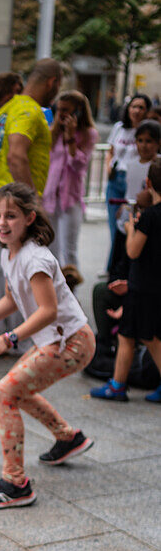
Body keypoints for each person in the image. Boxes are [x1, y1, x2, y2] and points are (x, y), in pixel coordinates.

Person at [0, 183, 95, 509]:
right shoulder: (11, 252)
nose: (2, 223)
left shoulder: (35, 258)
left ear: (30, 218)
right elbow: (10, 298)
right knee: (15, 391)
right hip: (57, 339)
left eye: (12, 216)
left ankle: (15, 483)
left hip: (70, 342)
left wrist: (9, 338)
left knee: (4, 394)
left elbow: (48, 310)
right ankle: (67, 437)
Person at [0, 58, 62, 358]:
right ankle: (24, 342)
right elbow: (17, 155)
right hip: (14, 201)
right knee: (27, 273)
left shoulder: (5, 109)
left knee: (0, 273)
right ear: (53, 83)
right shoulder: (27, 109)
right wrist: (30, 201)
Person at [91, 159, 161, 403]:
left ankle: (118, 386)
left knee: (136, 337)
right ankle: (119, 383)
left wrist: (132, 226)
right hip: (154, 286)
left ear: (149, 183)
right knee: (143, 337)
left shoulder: (150, 217)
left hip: (141, 288)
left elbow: (132, 251)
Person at [43, 91, 99, 272]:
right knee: (50, 249)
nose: (61, 114)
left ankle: (71, 293)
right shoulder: (52, 132)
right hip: (50, 197)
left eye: (66, 110)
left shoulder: (88, 134)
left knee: (69, 250)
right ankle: (52, 294)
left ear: (79, 112)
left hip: (71, 198)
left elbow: (78, 165)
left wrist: (70, 137)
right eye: (59, 110)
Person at [105, 93, 152, 265]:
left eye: (141, 107)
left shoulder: (147, 131)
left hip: (134, 181)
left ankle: (120, 264)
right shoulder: (119, 127)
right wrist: (108, 167)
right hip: (116, 178)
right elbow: (110, 151)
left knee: (128, 224)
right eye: (134, 106)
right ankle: (111, 265)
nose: (137, 111)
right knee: (113, 225)